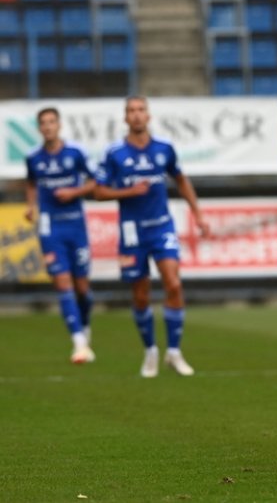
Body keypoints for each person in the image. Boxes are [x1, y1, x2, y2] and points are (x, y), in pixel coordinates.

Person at [94, 96, 209, 377]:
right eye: (131, 111)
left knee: (173, 283)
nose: (136, 115)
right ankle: (150, 351)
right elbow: (98, 192)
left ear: (148, 116)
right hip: (132, 232)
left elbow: (181, 179)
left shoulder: (164, 149)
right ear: (125, 118)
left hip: (161, 227)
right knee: (141, 293)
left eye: (141, 110)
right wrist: (127, 192)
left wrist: (198, 214)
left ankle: (173, 351)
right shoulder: (114, 153)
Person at [25, 107, 96, 364]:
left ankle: (85, 328)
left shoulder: (75, 153)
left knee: (83, 289)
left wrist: (74, 192)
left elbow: (95, 181)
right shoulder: (33, 157)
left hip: (76, 226)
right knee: (62, 284)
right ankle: (78, 342)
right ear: (39, 128)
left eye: (51, 122)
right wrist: (31, 206)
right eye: (43, 123)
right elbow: (31, 183)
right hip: (50, 227)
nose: (48, 127)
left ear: (59, 125)